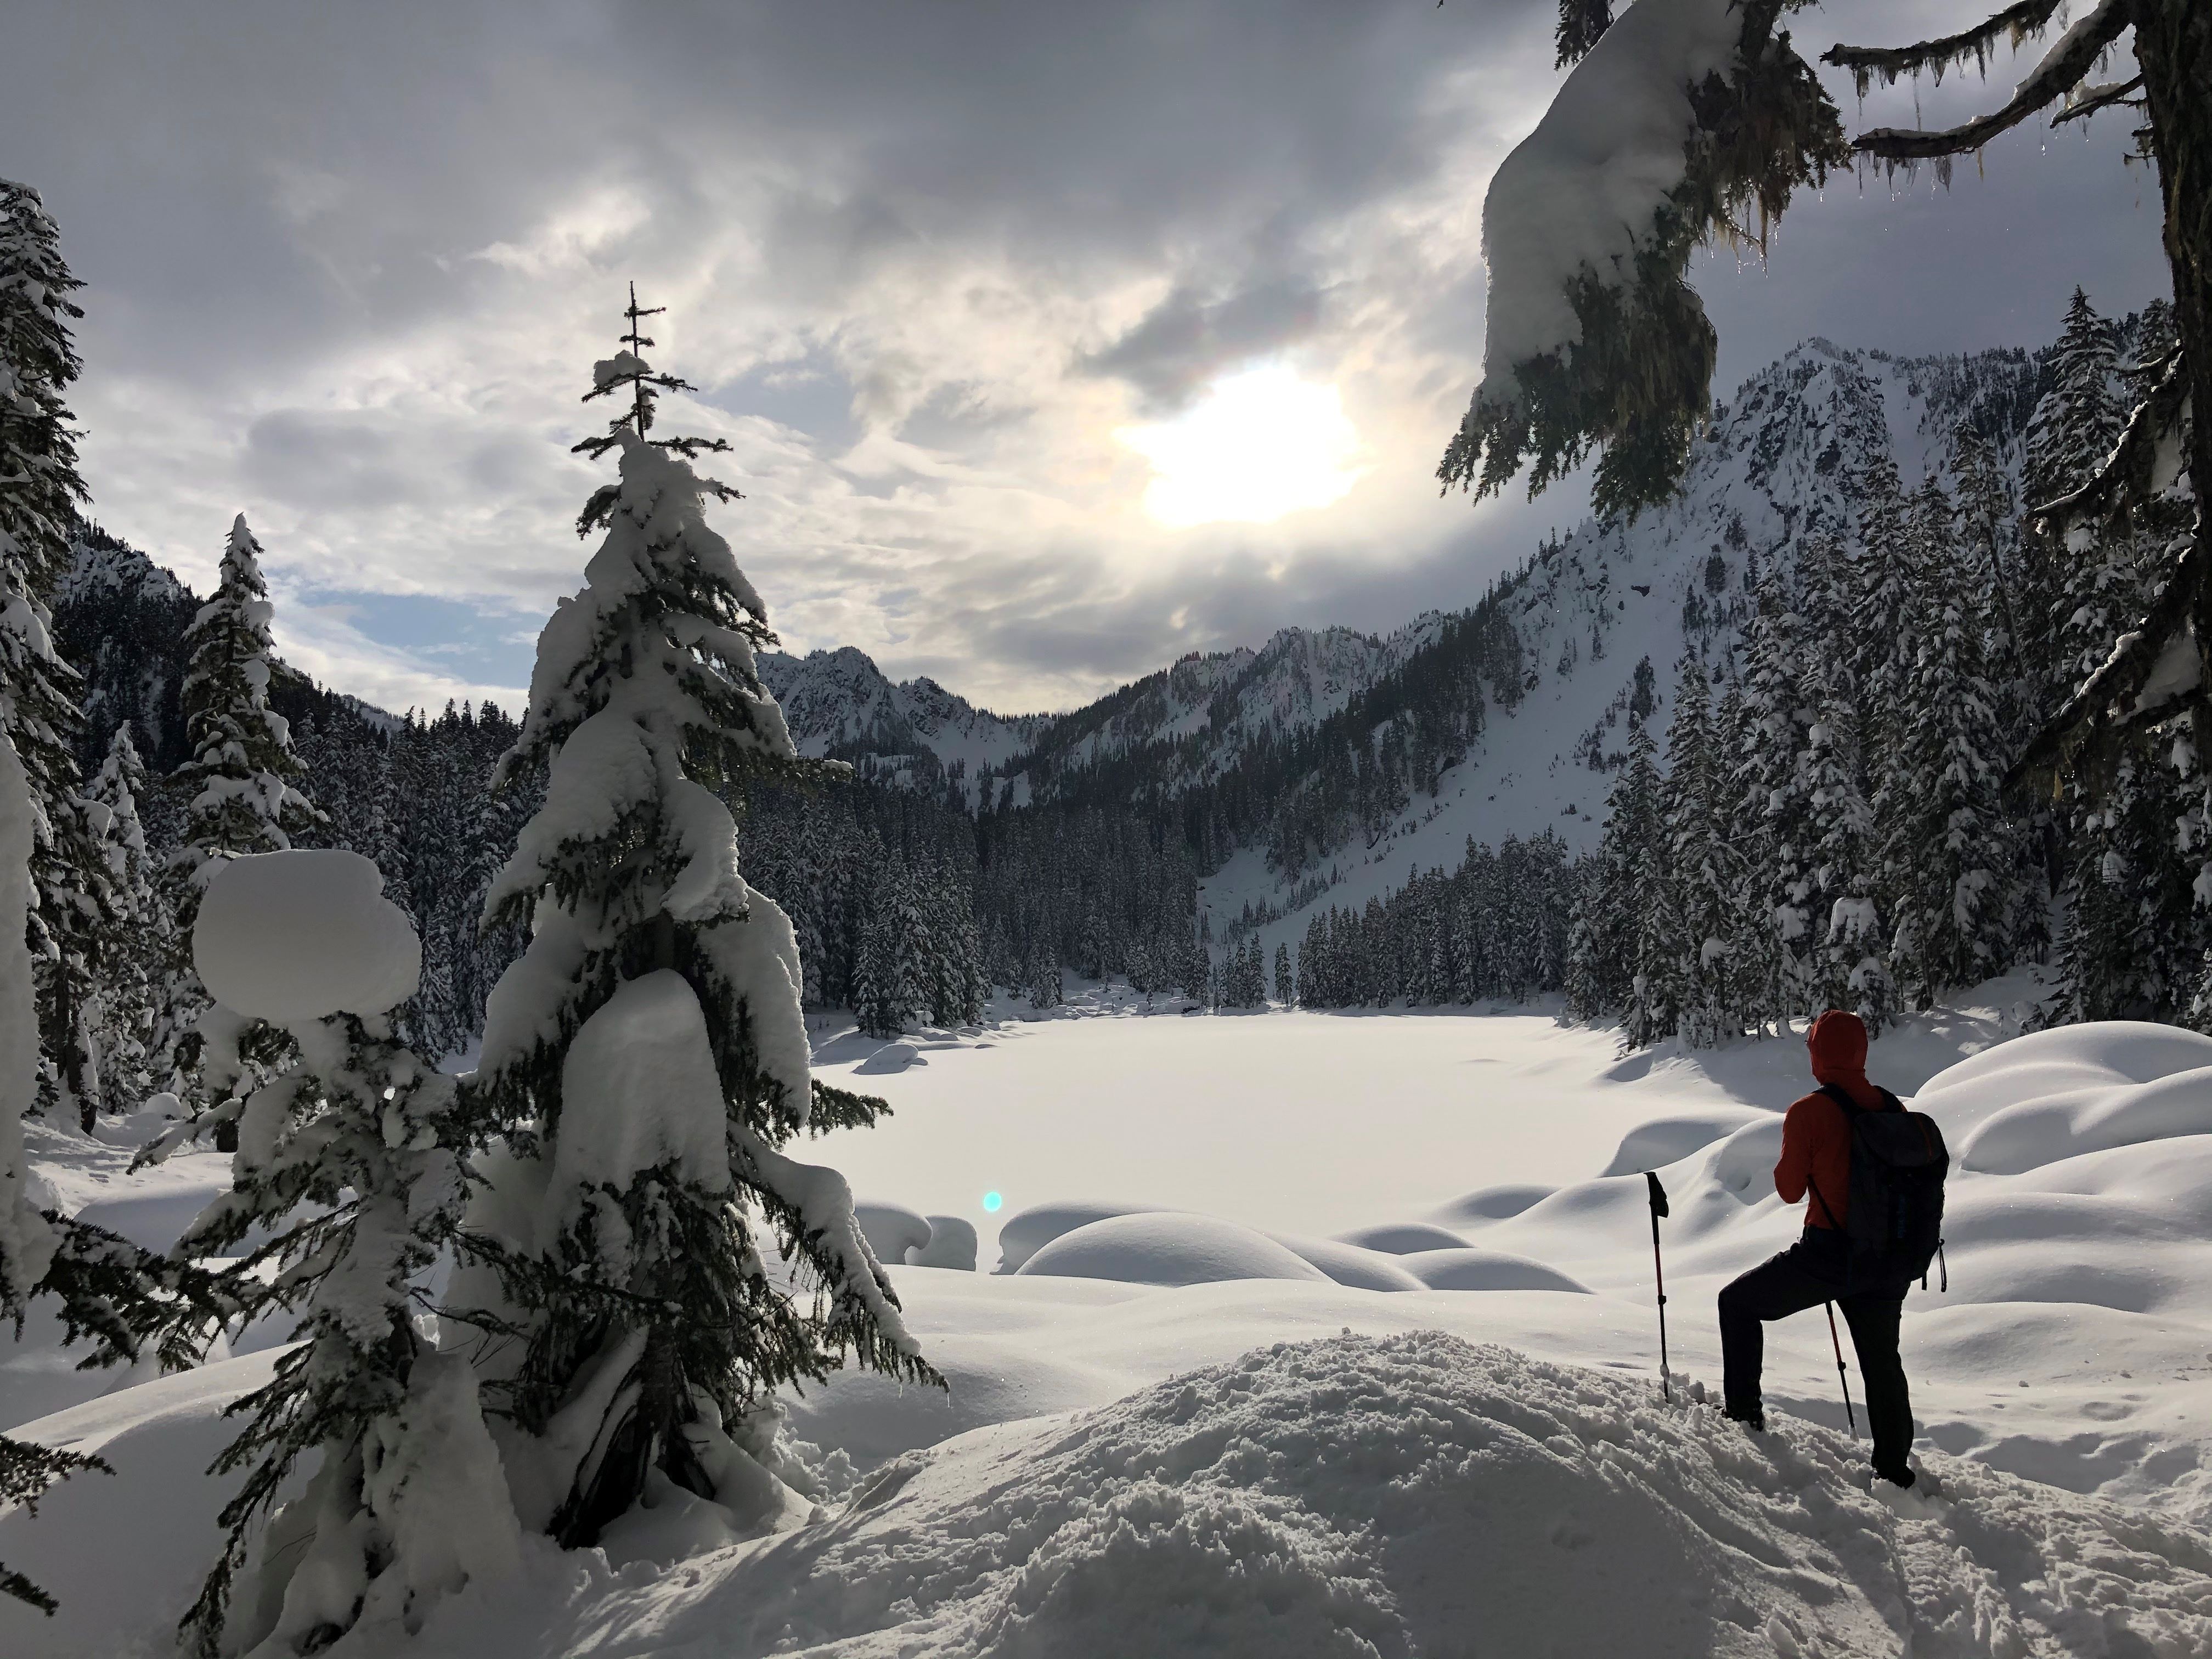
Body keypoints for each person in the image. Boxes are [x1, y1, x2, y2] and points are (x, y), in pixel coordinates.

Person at [1718, 1009, 1920, 1488]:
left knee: (1738, 1304)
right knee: (1882, 1361)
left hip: (1830, 1254)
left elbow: (1789, 1191)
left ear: (1818, 1055)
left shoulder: (1809, 1111)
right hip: (1888, 1259)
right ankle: (1893, 1469)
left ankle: (1745, 1416)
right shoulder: (1894, 1109)